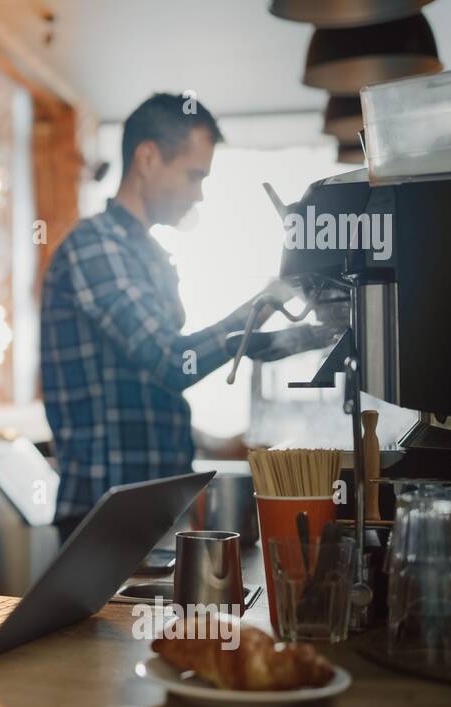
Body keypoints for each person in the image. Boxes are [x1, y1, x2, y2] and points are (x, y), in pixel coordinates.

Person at [40, 92, 305, 541]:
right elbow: (169, 360)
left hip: (150, 504)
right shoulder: (96, 247)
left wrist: (210, 439)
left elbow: (144, 390)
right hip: (106, 514)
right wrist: (263, 304)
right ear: (147, 158)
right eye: (193, 175)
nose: (199, 193)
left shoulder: (146, 255)